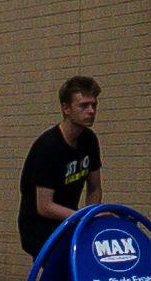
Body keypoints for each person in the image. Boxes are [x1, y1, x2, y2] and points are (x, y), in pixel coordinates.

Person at [17, 75, 106, 259]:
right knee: (70, 262)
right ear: (66, 109)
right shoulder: (48, 147)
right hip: (39, 226)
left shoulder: (89, 140)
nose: (91, 111)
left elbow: (95, 187)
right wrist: (82, 217)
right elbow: (44, 206)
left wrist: (90, 218)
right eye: (83, 106)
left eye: (94, 105)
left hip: (69, 220)